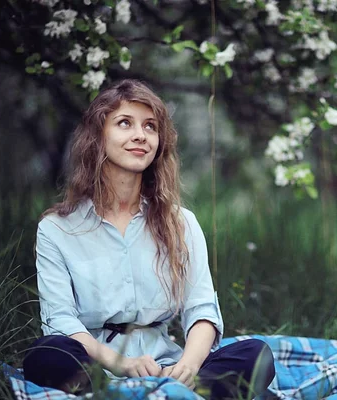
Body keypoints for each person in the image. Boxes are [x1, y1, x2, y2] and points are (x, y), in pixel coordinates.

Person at [23, 79, 275, 398]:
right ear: (97, 137)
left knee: (256, 354)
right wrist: (122, 364)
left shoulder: (181, 222)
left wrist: (188, 365)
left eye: (150, 126)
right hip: (95, 366)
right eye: (125, 123)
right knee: (47, 353)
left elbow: (201, 310)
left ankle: (174, 392)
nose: (141, 135)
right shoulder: (57, 229)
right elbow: (61, 322)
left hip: (168, 367)